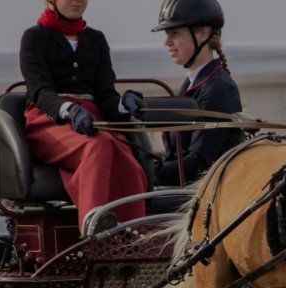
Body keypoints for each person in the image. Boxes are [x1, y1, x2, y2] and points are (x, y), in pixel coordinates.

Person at [19, 0, 148, 233]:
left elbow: (105, 95)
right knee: (97, 146)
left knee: (129, 163)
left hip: (93, 119)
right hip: (48, 120)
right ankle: (94, 233)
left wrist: (123, 105)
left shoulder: (96, 39)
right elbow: (40, 91)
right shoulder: (34, 38)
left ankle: (132, 237)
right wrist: (71, 110)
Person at [152, 0, 243, 186]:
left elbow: (198, 164)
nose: (167, 42)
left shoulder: (218, 88)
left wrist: (146, 172)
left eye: (174, 33)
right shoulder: (192, 85)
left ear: (202, 34)